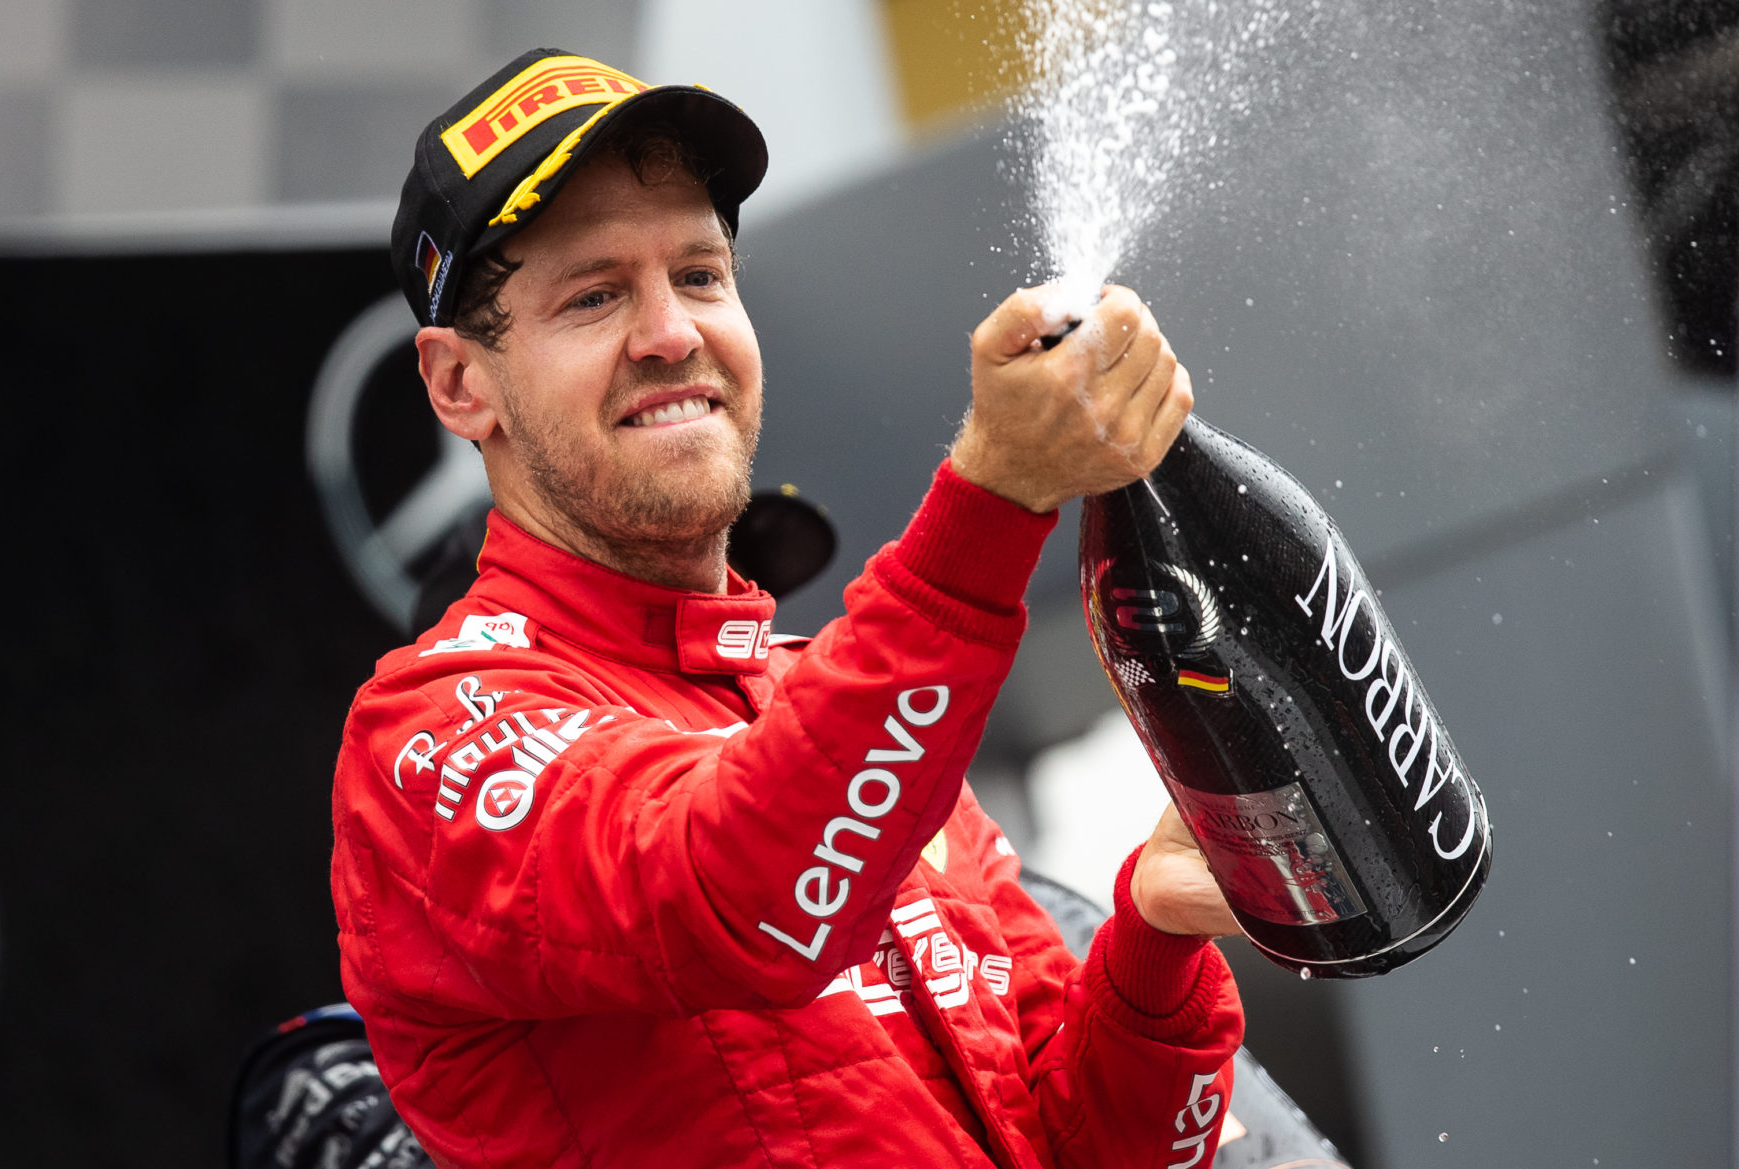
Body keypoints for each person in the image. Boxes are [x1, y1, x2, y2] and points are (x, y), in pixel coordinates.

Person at [332, 48, 1243, 1169]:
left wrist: (1156, 940)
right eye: (595, 295)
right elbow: (747, 896)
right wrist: (992, 502)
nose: (672, 332)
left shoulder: (848, 718)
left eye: (702, 276)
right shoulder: (429, 732)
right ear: (459, 385)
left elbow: (1103, 1153)